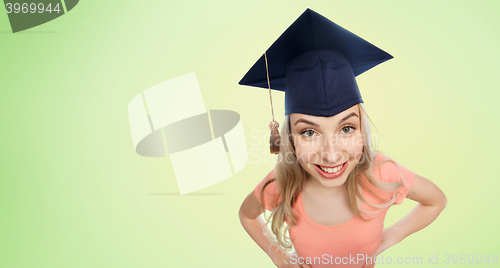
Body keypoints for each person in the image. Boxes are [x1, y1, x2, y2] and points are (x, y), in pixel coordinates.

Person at [238, 9, 447, 268]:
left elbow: (436, 200)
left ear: (362, 129)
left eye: (346, 128)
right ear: (289, 138)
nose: (332, 154)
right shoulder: (282, 184)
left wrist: (391, 236)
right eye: (309, 132)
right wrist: (279, 257)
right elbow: (247, 216)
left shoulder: (382, 175)